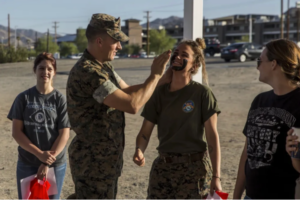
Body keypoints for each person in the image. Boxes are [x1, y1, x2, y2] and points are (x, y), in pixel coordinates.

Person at [66, 13, 171, 200]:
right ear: (99, 41)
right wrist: (154, 76)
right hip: (92, 165)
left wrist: (161, 80)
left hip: (104, 162)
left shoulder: (103, 67)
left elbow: (128, 91)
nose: (120, 47)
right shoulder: (88, 72)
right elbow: (132, 104)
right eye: (116, 41)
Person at [133, 38, 223, 199]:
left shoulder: (202, 93)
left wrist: (216, 176)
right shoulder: (158, 93)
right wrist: (139, 149)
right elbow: (145, 132)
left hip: (194, 170)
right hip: (163, 169)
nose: (178, 57)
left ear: (194, 65)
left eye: (184, 55)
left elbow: (212, 136)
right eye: (176, 53)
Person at [233, 39, 300, 200]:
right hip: (251, 196)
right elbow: (247, 152)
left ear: (273, 64)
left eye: (260, 61)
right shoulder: (259, 101)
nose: (257, 66)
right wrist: (236, 197)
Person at [7, 52, 71, 200]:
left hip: (54, 165)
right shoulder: (23, 98)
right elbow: (17, 133)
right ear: (35, 70)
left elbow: (64, 134)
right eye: (41, 68)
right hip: (27, 163)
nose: (45, 72)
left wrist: (46, 162)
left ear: (54, 72)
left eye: (49, 69)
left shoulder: (60, 100)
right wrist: (39, 154)